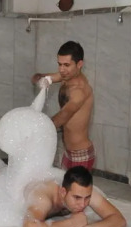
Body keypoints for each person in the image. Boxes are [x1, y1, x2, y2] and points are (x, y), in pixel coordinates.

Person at [31, 40, 95, 171]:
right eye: (59, 64)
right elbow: (40, 78)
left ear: (79, 64)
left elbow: (61, 117)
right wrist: (40, 78)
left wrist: (34, 130)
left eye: (66, 65)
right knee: (62, 184)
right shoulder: (67, 76)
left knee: (72, 185)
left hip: (81, 155)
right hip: (68, 152)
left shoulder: (80, 90)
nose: (61, 69)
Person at [22, 166, 126, 227]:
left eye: (87, 198)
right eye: (77, 198)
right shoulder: (43, 198)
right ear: (63, 192)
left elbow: (118, 219)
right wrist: (72, 223)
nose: (83, 204)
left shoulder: (83, 192)